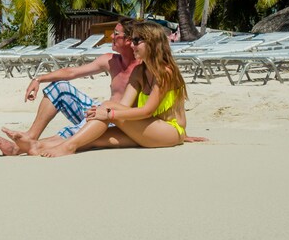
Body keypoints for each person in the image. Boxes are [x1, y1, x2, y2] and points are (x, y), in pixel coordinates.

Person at [10, 21, 189, 157]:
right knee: (93, 139)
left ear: (151, 42)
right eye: (132, 40)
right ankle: (36, 146)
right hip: (147, 127)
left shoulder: (165, 72)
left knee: (106, 108)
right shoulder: (138, 72)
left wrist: (109, 114)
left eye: (136, 40)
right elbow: (123, 105)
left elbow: (147, 111)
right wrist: (107, 112)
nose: (132, 44)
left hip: (168, 130)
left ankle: (66, 147)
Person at [0, 18, 140, 156]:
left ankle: (19, 148)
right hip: (102, 110)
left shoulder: (142, 67)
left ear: (128, 40)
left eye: (115, 34)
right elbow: (71, 72)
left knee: (85, 123)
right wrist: (39, 79)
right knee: (59, 87)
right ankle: (31, 136)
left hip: (119, 118)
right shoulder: (110, 60)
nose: (111, 37)